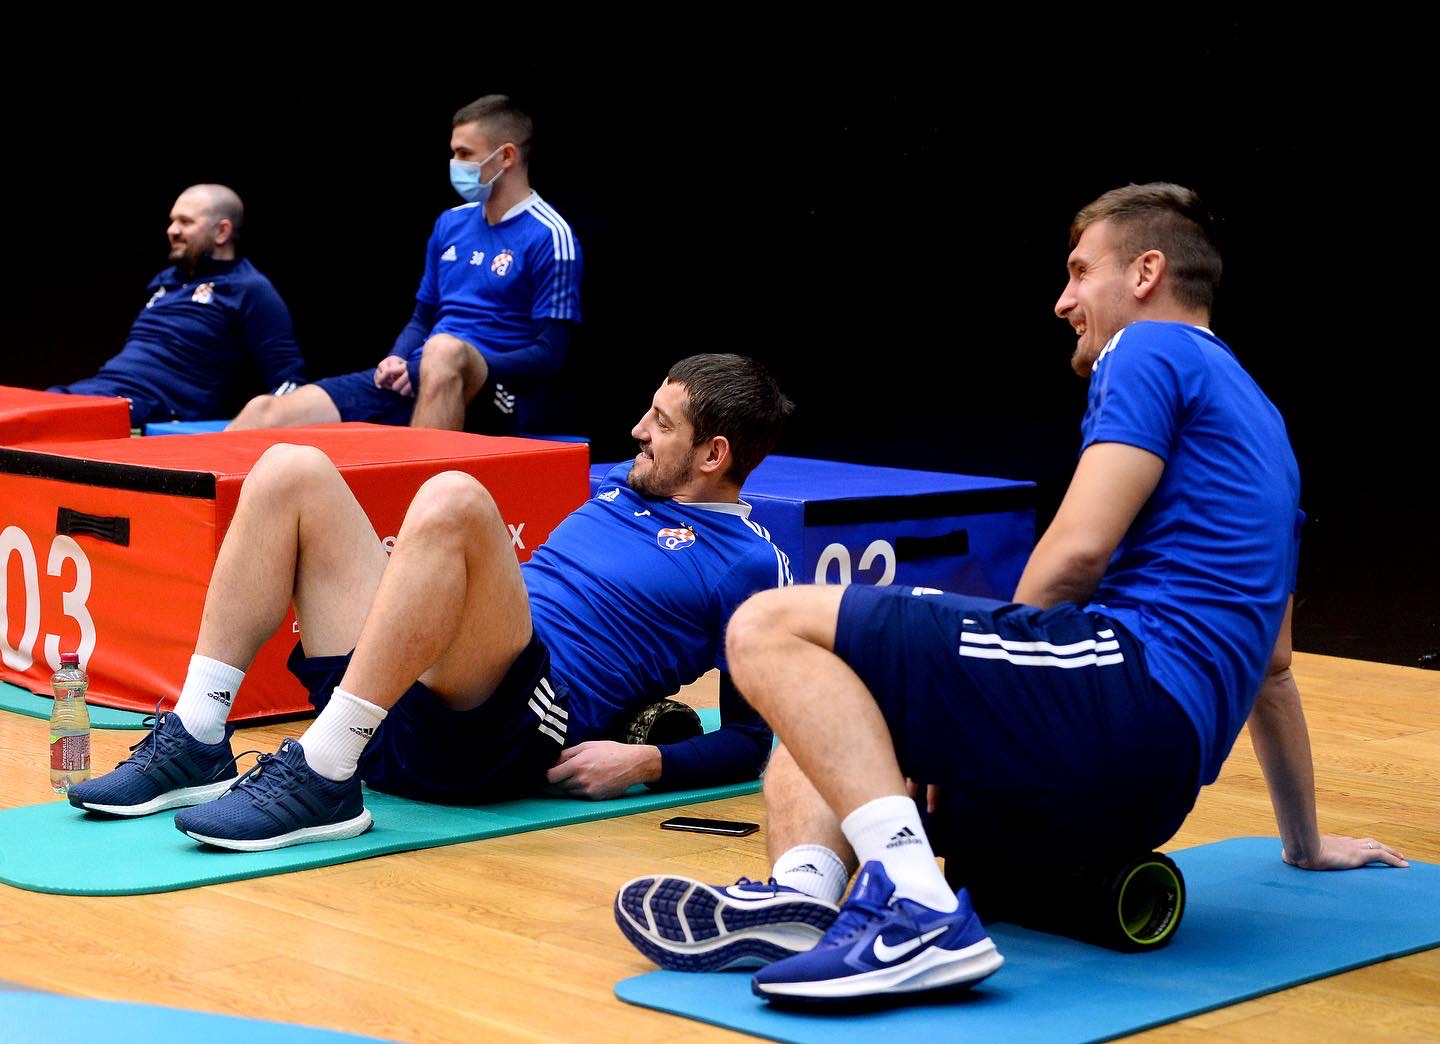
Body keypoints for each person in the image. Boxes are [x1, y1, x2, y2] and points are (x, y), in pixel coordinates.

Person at [613, 184, 1408, 1004]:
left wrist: (977, 694)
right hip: (1149, 790)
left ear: (1146, 273)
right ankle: (805, 900)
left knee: (770, 627)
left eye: (1080, 271)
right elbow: (1273, 666)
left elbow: (1078, 549)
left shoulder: (1150, 348)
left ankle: (917, 912)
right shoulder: (1268, 430)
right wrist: (1304, 843)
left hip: (1120, 699)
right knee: (828, 695)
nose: (1063, 300)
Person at [67, 353, 793, 852]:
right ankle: (198, 734)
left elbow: (751, 738)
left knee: (454, 499)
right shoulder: (621, 490)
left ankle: (323, 776)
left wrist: (646, 764)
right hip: (398, 708)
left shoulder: (748, 562)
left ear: (713, 455)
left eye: (662, 423)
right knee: (290, 467)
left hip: (507, 730)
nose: (638, 430)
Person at [228, 94, 582, 435]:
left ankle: (426, 476)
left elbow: (549, 354)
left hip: (497, 393)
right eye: (453, 152)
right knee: (263, 412)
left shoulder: (550, 234)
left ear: (505, 156)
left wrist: (435, 364)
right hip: (419, 374)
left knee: (443, 349)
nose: (455, 163)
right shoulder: (450, 223)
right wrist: (397, 358)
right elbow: (422, 317)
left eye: (464, 153)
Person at [47, 184, 306, 427]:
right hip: (99, 390)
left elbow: (289, 383)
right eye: (172, 221)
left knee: (51, 420)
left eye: (186, 222)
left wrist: (247, 428)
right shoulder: (165, 281)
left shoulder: (249, 288)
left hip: (151, 410)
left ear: (222, 231)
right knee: (32, 406)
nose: (172, 230)